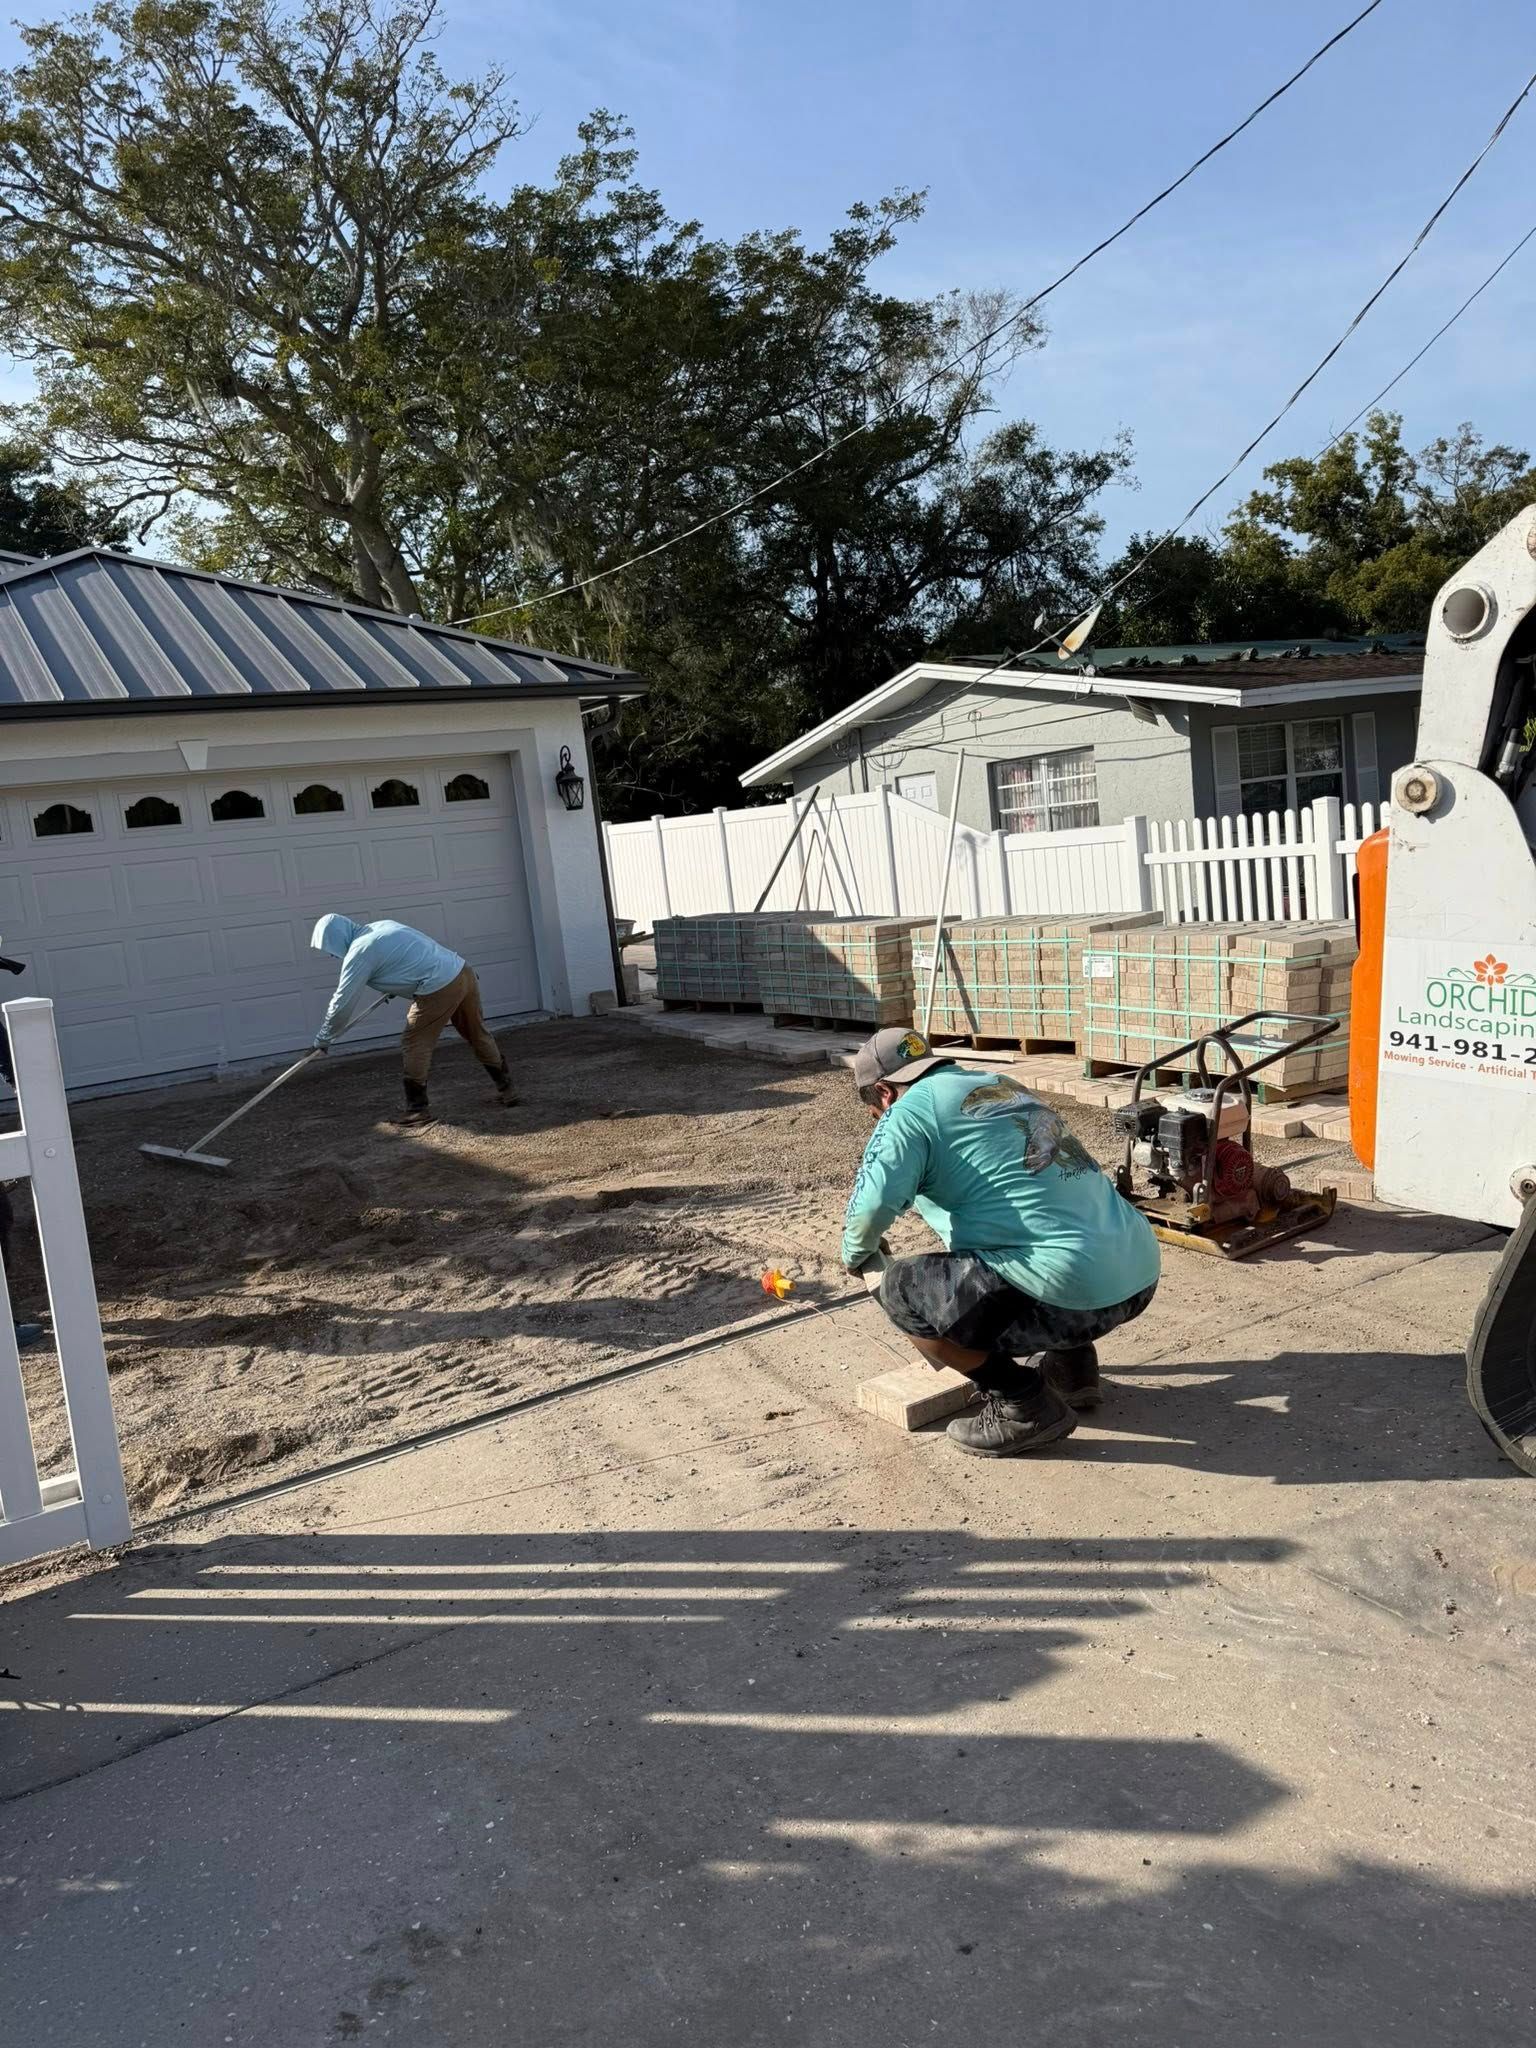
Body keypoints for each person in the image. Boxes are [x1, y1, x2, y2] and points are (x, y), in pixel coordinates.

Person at [842, 1027, 1160, 1457]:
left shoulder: (907, 1111)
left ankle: (1021, 1403)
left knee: (901, 1288)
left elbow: (868, 1212)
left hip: (1070, 1294)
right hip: (1138, 1272)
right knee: (1037, 1236)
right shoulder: (1001, 1085)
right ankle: (1073, 1369)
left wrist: (856, 1255)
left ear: (883, 1093)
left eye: (874, 1113)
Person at [310, 913, 518, 1128]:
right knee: (477, 1033)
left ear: (335, 938)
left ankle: (417, 1110)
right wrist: (395, 985)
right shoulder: (382, 926)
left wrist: (323, 1039)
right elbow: (411, 955)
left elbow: (342, 1002)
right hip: (462, 971)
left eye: (329, 948)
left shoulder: (359, 951)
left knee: (415, 1042)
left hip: (439, 985)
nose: (332, 955)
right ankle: (507, 1089)